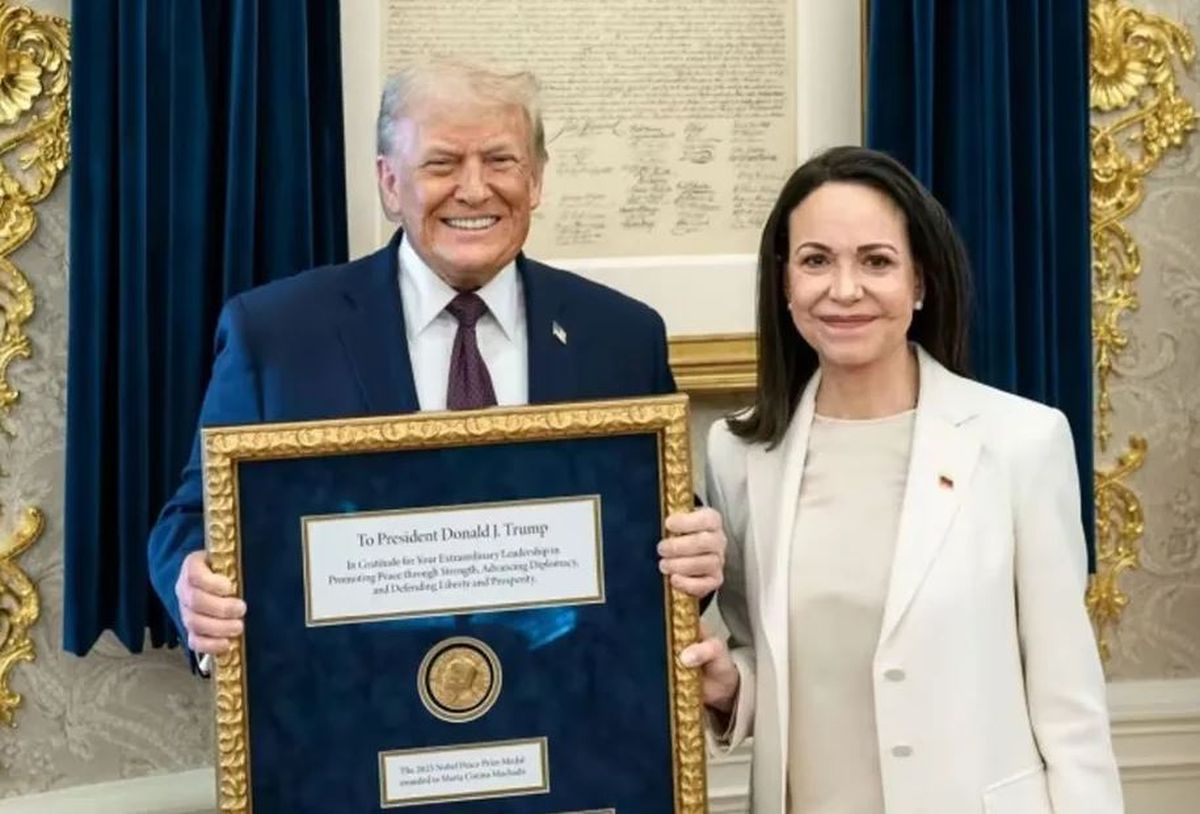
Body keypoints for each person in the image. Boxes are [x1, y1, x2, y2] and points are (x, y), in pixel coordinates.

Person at [147, 59, 725, 658]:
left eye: (501, 161)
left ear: (537, 180)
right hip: (351, 715)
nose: (474, 190)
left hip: (566, 712)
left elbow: (657, 525)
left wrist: (697, 551)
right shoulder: (275, 335)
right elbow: (193, 518)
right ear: (391, 183)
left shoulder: (621, 336)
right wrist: (193, 583)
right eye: (441, 164)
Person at [680, 146, 1123, 812]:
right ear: (784, 284)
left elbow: (1070, 707)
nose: (845, 289)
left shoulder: (1021, 444)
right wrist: (726, 686)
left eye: (877, 261)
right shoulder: (739, 454)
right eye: (816, 261)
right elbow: (772, 663)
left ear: (919, 283)